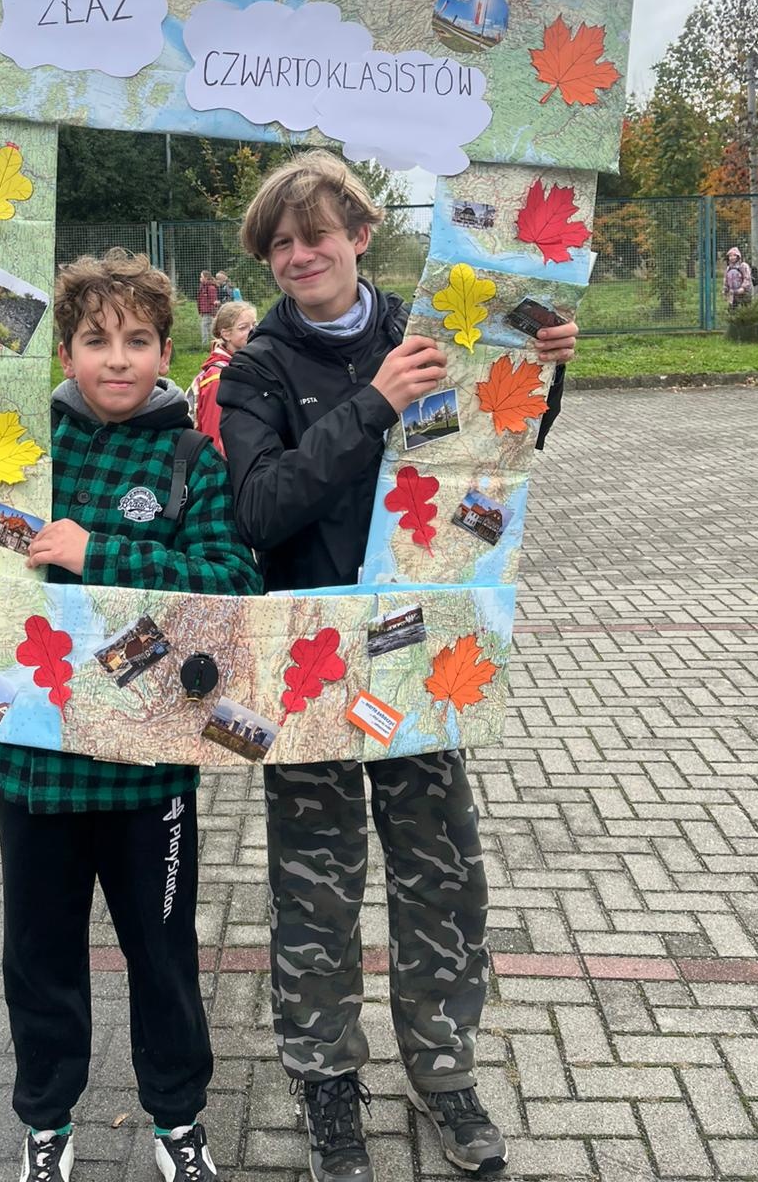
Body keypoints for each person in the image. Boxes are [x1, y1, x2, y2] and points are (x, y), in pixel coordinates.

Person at [0, 252, 261, 1182]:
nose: (118, 359)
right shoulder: (20, 442)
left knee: (162, 957)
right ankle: (47, 1120)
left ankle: (178, 1119)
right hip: (29, 762)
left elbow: (232, 587)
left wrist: (96, 550)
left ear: (165, 352)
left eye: (139, 340)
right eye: (96, 340)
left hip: (146, 774)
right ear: (64, 352)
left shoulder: (190, 461)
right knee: (38, 959)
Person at [218, 153, 577, 1181]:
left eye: (316, 235)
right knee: (315, 888)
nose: (299, 256)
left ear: (361, 235)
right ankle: (328, 1081)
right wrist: (371, 403)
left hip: (422, 650)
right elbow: (260, 508)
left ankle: (444, 1066)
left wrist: (543, 365)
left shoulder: (431, 333)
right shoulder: (256, 369)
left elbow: (492, 454)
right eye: (280, 244)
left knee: (441, 873)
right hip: (310, 660)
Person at [188, 300, 257, 455]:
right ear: (226, 334)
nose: (252, 331)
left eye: (254, 325)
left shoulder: (241, 364)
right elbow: (213, 433)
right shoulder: (218, 378)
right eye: (243, 328)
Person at [196, 270, 219, 347]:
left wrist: (213, 312)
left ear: (206, 278)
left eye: (201, 276)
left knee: (205, 327)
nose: (200, 278)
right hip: (205, 311)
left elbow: (213, 301)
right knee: (209, 328)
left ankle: (205, 344)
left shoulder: (211, 288)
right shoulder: (203, 287)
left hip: (209, 311)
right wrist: (201, 311)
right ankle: (214, 343)